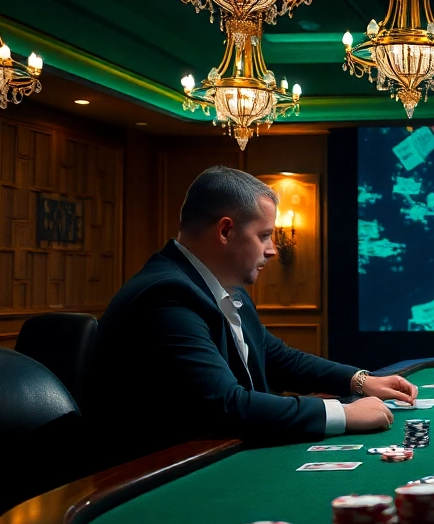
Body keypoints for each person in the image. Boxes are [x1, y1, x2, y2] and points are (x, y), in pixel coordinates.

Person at [90, 166, 416, 460]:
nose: (272, 249)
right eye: (263, 235)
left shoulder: (224, 289)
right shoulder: (165, 296)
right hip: (156, 481)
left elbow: (278, 358)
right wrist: (343, 414)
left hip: (214, 457)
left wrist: (360, 381)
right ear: (225, 231)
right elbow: (226, 405)